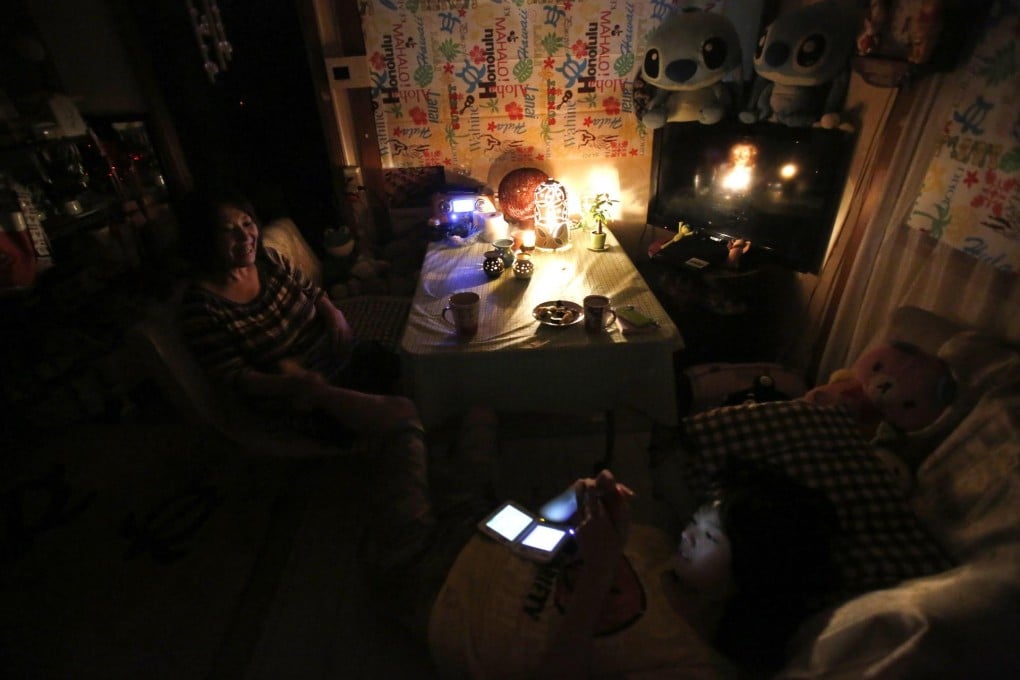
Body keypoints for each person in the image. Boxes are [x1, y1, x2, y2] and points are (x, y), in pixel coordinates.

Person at [364, 408, 840, 679]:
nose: (689, 531)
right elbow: (539, 536)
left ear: (747, 579)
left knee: (402, 425)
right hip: (481, 529)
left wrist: (599, 569)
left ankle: (311, 389)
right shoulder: (655, 547)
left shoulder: (689, 665)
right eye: (698, 518)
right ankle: (469, 444)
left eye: (710, 535)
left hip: (433, 591)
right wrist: (572, 499)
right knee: (476, 418)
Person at [177, 191, 416, 440]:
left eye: (247, 223)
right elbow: (235, 377)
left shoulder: (268, 259)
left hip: (337, 354)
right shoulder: (202, 307)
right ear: (205, 241)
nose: (245, 235)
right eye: (228, 230)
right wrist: (295, 384)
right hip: (297, 396)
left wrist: (335, 314)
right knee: (402, 414)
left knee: (413, 381)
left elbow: (313, 292)